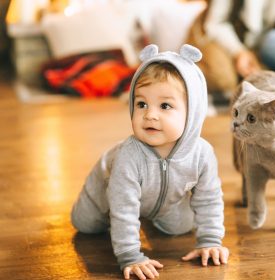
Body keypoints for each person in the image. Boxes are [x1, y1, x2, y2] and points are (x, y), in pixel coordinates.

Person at [71, 44, 228, 280]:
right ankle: (114, 215)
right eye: (141, 104)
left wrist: (210, 240)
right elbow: (123, 208)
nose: (150, 114)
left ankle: (152, 214)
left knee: (181, 227)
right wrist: (130, 255)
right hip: (105, 193)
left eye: (165, 106)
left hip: (164, 200)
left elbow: (209, 199)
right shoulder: (128, 156)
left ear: (193, 112)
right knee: (85, 224)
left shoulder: (202, 154)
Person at [187, 0, 275, 98]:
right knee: (223, 80)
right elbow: (215, 24)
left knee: (265, 82)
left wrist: (253, 53)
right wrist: (238, 52)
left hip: (255, 44)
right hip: (216, 36)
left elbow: (270, 25)